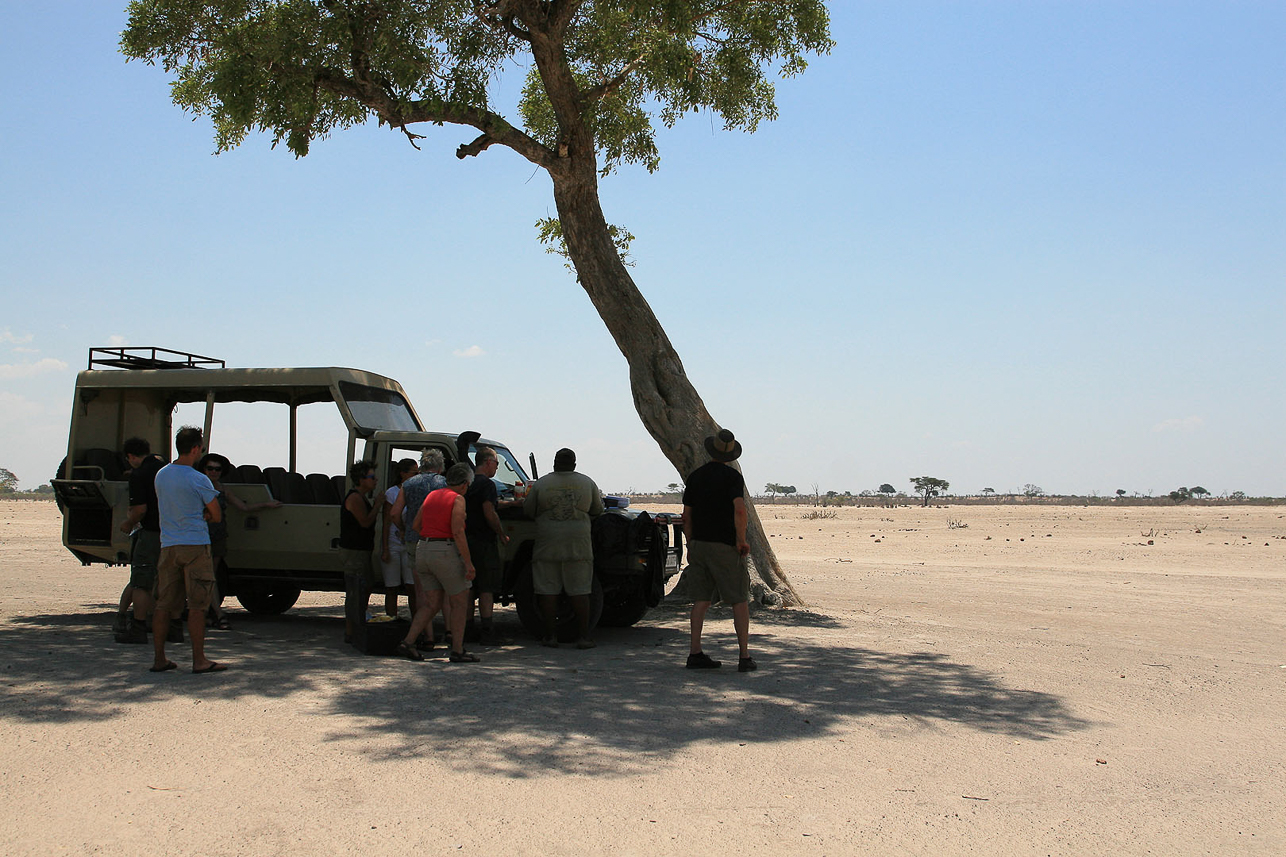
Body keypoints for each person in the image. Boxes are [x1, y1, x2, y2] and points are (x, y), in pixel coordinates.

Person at [149, 426, 226, 674]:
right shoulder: (198, 479)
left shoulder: (162, 475)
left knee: (163, 604)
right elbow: (216, 514)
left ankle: (159, 658)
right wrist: (204, 515)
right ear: (195, 449)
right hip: (194, 544)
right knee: (197, 605)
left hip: (168, 545)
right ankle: (199, 659)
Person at [682, 428, 757, 672]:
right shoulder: (732, 478)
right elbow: (739, 510)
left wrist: (690, 543)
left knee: (701, 600)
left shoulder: (695, 477)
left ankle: (695, 652)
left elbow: (687, 515)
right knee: (739, 599)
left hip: (699, 545)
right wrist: (741, 540)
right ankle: (744, 656)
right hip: (724, 546)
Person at [523, 448, 604, 649]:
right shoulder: (587, 482)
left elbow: (528, 510)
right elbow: (597, 510)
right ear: (574, 464)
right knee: (580, 590)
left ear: (554, 463)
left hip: (547, 543)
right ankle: (583, 637)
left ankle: (550, 636)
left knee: (547, 590)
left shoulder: (542, 483)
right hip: (578, 544)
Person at [402, 463, 479, 663]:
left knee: (431, 603)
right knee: (459, 602)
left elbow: (416, 525)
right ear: (464, 484)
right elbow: (457, 531)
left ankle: (408, 642)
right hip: (444, 550)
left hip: (423, 549)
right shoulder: (458, 499)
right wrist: (468, 563)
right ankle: (457, 649)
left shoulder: (432, 496)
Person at [196, 452, 282, 629]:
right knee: (206, 577)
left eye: (217, 469)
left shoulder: (222, 489)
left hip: (218, 536)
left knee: (209, 576)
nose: (213, 472)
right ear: (203, 469)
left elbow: (243, 507)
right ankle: (216, 613)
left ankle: (207, 613)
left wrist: (266, 504)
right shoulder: (198, 488)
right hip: (200, 536)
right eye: (210, 468)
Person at [389, 449, 449, 645]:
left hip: (414, 540)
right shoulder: (443, 483)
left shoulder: (408, 484)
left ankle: (428, 636)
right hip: (439, 540)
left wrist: (404, 530)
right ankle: (451, 634)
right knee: (445, 590)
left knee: (421, 592)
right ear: (440, 466)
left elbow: (395, 513)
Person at [115, 437, 164, 644]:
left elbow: (140, 509)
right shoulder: (164, 467)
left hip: (150, 532)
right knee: (162, 581)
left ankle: (137, 626)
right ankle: (166, 625)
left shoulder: (139, 475)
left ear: (132, 457)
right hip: (172, 533)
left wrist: (128, 523)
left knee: (140, 581)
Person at [464, 446, 512, 645]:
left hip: (466, 540)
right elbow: (488, 510)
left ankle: (466, 629)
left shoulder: (467, 483)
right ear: (488, 462)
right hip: (484, 541)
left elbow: (490, 504)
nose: (496, 467)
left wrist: (512, 504)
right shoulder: (488, 485)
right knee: (486, 588)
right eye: (497, 463)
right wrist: (500, 532)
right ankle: (487, 630)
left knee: (468, 587)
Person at [340, 460, 382, 644]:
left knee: (365, 586)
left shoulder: (361, 497)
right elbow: (364, 522)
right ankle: (350, 632)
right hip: (354, 551)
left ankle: (356, 626)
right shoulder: (355, 498)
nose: (375, 480)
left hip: (362, 550)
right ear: (361, 479)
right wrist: (377, 506)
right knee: (356, 591)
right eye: (372, 477)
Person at [379, 458, 419, 619]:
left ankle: (417, 623)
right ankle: (391, 619)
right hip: (394, 543)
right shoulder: (392, 493)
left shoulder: (417, 491)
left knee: (412, 587)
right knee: (392, 587)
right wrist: (385, 549)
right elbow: (387, 522)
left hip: (409, 543)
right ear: (403, 474)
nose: (417, 476)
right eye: (414, 473)